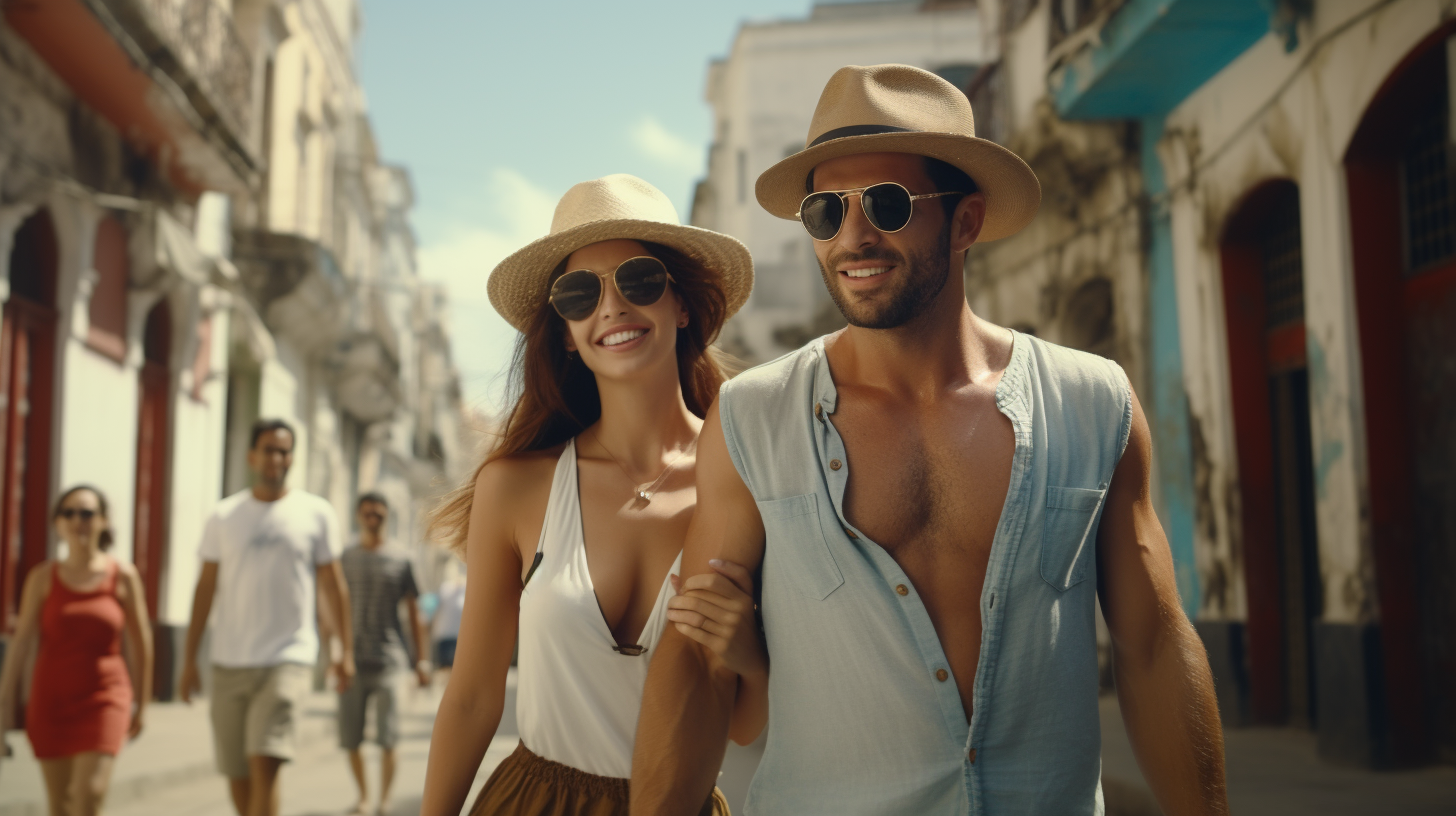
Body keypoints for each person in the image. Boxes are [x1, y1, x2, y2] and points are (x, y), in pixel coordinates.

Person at [632, 64, 1229, 815]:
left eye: (886, 203)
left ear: (967, 220)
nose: (853, 236)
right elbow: (699, 657)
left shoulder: (1091, 402)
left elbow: (1151, 650)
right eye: (826, 210)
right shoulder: (753, 418)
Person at [418, 174, 763, 816]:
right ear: (565, 332)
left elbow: (743, 725)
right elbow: (471, 698)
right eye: (580, 294)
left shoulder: (745, 482)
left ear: (681, 303)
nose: (611, 307)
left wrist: (751, 655)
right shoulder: (516, 487)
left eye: (638, 280)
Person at [178, 418, 355, 816]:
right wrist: (189, 660)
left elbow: (333, 586)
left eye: (284, 450)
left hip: (287, 658)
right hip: (228, 661)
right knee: (237, 775)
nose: (277, 458)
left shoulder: (316, 512)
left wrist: (345, 650)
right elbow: (205, 589)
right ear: (251, 456)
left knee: (265, 762)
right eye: (269, 450)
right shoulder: (224, 516)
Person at [0, 485, 152, 816]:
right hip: (51, 701)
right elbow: (21, 642)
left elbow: (141, 643)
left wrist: (143, 702)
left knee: (90, 796)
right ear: (58, 523)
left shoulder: (123, 576)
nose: (77, 521)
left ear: (103, 521)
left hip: (105, 698)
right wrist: (4, 705)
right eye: (68, 513)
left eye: (86, 513)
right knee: (61, 805)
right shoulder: (42, 578)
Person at [331, 491, 429, 816]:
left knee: (389, 736)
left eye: (379, 511)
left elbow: (415, 613)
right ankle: (363, 796)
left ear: (387, 516)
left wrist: (421, 660)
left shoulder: (402, 559)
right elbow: (333, 607)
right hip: (352, 661)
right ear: (358, 516)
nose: (373, 516)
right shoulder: (345, 558)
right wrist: (334, 650)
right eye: (367, 511)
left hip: (390, 659)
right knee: (351, 737)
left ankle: (385, 802)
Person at [429, 559, 465, 685]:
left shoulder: (464, 589)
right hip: (446, 635)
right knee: (446, 668)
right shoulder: (445, 589)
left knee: (454, 669)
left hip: (455, 635)